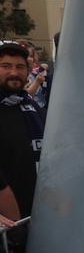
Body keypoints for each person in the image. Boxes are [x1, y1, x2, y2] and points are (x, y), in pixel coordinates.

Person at [0, 42, 44, 219]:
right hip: (9, 225)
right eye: (5, 66)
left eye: (20, 67)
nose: (14, 72)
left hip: (40, 214)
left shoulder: (32, 107)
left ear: (28, 72)